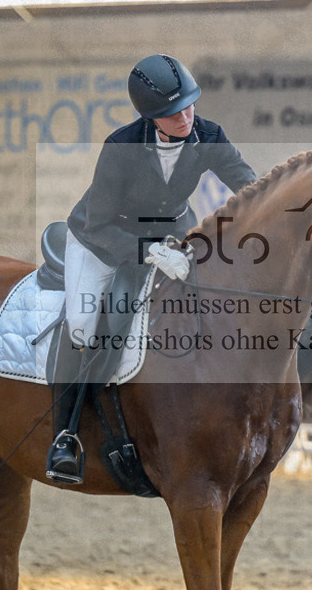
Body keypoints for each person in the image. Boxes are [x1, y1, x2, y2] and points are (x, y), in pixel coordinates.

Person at [47, 54, 257, 484]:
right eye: (171, 112)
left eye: (189, 105)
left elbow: (249, 186)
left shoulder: (209, 134)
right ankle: (64, 435)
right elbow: (99, 225)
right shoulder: (120, 147)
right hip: (102, 240)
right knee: (85, 325)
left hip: (172, 232)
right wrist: (150, 253)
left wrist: (278, 208)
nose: (185, 117)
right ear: (150, 116)